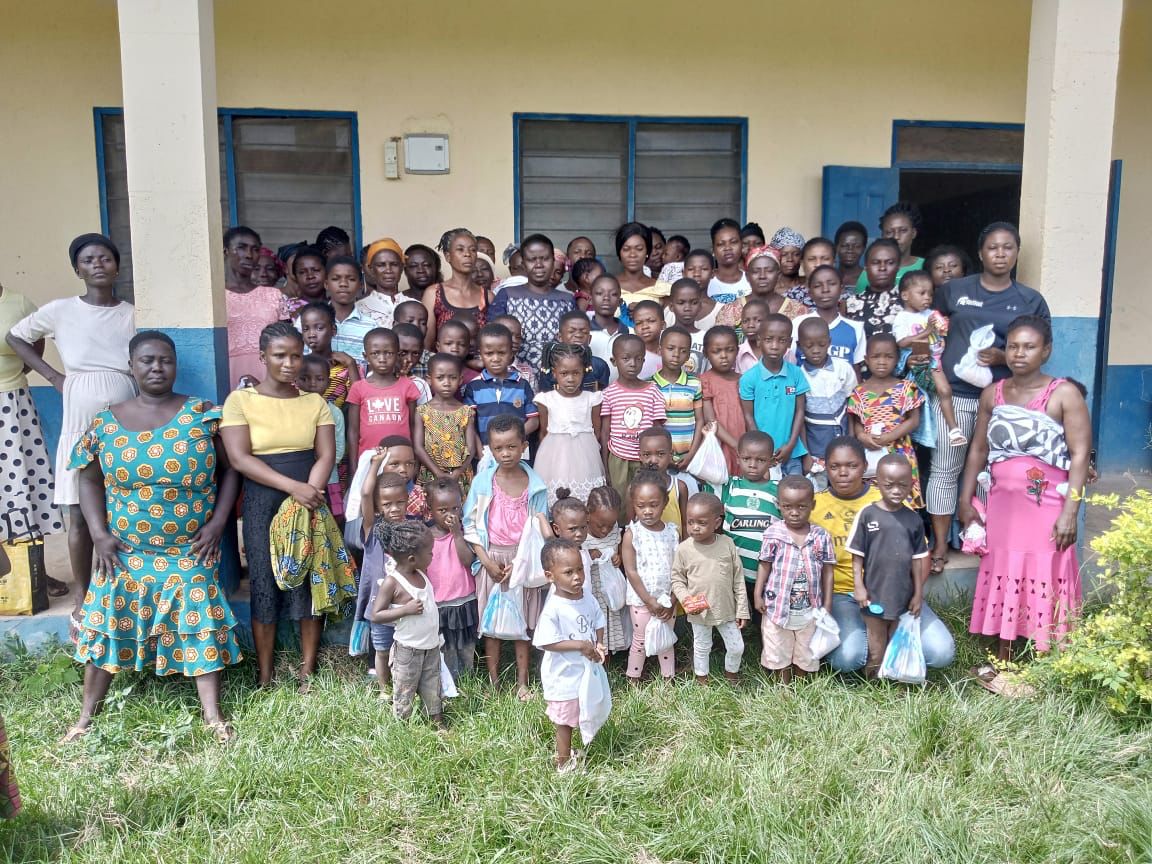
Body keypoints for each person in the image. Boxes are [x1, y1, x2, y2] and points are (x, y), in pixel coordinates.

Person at [63, 332, 242, 742]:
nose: (156, 367)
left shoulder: (202, 415)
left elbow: (230, 468)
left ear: (175, 365)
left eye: (165, 360)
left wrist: (217, 524)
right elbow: (88, 480)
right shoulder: (106, 421)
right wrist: (99, 534)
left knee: (198, 607)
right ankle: (85, 717)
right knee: (105, 615)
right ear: (131, 366)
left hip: (189, 550)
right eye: (146, 360)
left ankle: (213, 716)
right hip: (124, 551)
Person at [6, 233, 136, 608]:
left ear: (116, 265)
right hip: (79, 407)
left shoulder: (131, 313)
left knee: (119, 507)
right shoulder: (61, 310)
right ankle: (82, 591)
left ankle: (115, 586)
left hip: (124, 406)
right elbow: (16, 336)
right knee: (77, 508)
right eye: (89, 259)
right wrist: (52, 376)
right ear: (77, 269)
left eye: (105, 258)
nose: (98, 264)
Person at [959, 316, 1090, 678]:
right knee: (1005, 568)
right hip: (1002, 505)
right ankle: (1004, 656)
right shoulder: (994, 393)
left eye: (1029, 346)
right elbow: (978, 449)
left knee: (1045, 570)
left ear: (1046, 351)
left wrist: (1070, 512)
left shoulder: (1064, 394)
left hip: (1046, 507)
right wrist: (966, 497)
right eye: (1014, 346)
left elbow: (1079, 455)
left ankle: (1053, 660)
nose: (1019, 354)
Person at [926, 223, 1050, 575]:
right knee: (945, 470)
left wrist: (1003, 357)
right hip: (955, 396)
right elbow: (932, 332)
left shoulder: (1030, 300)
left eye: (1007, 248)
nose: (1000, 254)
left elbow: (1041, 348)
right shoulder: (954, 291)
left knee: (994, 472)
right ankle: (939, 544)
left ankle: (982, 537)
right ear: (980, 253)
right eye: (993, 248)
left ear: (1016, 253)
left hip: (1004, 399)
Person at [219, 322, 337, 689]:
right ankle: (265, 674)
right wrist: (293, 490)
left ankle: (307, 670)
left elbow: (326, 454)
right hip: (263, 501)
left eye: (296, 355)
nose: (289, 363)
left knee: (308, 579)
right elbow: (239, 458)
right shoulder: (241, 401)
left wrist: (308, 495)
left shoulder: (314, 402)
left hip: (310, 499)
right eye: (279, 356)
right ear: (262, 357)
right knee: (265, 582)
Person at [463, 414, 549, 699]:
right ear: (489, 448)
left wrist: (522, 562)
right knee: (492, 625)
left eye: (511, 447)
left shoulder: (535, 485)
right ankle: (493, 682)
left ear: (524, 446)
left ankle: (523, 683)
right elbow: (470, 524)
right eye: (498, 448)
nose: (505, 453)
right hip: (491, 558)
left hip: (521, 561)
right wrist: (486, 561)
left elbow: (539, 525)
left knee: (522, 625)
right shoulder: (483, 482)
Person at [0, 279, 65, 588]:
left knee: (28, 485)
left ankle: (36, 576)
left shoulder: (18, 303)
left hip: (13, 405)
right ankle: (8, 578)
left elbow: (33, 345)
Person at [847, 454, 929, 677]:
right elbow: (857, 557)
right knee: (876, 647)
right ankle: (872, 685)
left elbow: (917, 561)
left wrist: (917, 594)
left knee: (896, 643)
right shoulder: (867, 515)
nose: (895, 490)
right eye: (889, 485)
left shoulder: (913, 520)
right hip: (873, 594)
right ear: (877, 483)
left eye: (902, 485)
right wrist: (859, 587)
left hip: (902, 596)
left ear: (911, 485)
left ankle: (894, 679)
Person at [533, 537, 607, 772]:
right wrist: (580, 645)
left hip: (584, 673)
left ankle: (580, 750)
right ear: (550, 575)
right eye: (568, 572)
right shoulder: (554, 607)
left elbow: (598, 619)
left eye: (580, 570)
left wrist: (600, 643)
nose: (577, 577)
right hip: (563, 676)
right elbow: (545, 641)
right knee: (565, 722)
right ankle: (563, 762)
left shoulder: (587, 597)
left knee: (585, 710)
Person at [754, 476, 835, 683]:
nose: (794, 512)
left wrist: (827, 603)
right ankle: (784, 686)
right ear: (779, 505)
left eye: (801, 506)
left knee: (805, 648)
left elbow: (827, 570)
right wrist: (757, 594)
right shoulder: (773, 533)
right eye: (787, 506)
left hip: (809, 609)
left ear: (812, 505)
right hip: (777, 607)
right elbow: (765, 564)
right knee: (778, 646)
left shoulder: (820, 536)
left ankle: (800, 683)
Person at [369, 520, 444, 725]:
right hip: (407, 652)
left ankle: (437, 722)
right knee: (405, 689)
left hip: (431, 647)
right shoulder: (392, 582)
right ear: (412, 559)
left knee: (433, 686)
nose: (432, 555)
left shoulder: (420, 573)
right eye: (429, 552)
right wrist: (405, 609)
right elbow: (376, 614)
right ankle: (402, 724)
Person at [671, 492, 747, 684]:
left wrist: (742, 609)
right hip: (699, 611)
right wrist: (686, 598)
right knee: (702, 646)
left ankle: (732, 675)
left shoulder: (727, 544)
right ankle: (702, 679)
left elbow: (738, 579)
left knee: (736, 646)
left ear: (717, 523)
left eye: (702, 523)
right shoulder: (684, 549)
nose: (694, 528)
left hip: (726, 609)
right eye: (690, 522)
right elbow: (677, 579)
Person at [848, 333, 925, 507]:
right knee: (872, 500)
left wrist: (889, 437)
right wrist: (862, 436)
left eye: (888, 356)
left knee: (902, 499)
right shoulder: (859, 391)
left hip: (900, 452)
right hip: (870, 452)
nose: (882, 361)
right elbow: (857, 423)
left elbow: (914, 421)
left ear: (897, 359)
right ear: (866, 359)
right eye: (876, 357)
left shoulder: (906, 387)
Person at [892, 270, 965, 446]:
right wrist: (927, 332)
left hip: (935, 360)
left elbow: (941, 333)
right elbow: (902, 342)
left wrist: (942, 326)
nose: (927, 298)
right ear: (905, 295)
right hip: (921, 363)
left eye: (930, 294)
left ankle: (951, 430)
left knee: (940, 394)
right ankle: (945, 432)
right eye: (922, 293)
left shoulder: (930, 314)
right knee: (928, 398)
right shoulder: (903, 317)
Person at [621, 469, 679, 683]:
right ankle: (633, 677)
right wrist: (649, 601)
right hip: (641, 600)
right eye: (640, 506)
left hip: (666, 600)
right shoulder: (632, 534)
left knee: (666, 640)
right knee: (640, 640)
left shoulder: (672, 533)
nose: (647, 511)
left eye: (653, 505)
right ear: (633, 504)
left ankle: (668, 678)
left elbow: (677, 568)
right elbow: (631, 571)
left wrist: (672, 599)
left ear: (665, 503)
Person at [600, 335, 668, 516]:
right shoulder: (608, 394)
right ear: (614, 361)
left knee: (646, 500)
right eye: (626, 358)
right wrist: (606, 467)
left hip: (645, 460)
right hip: (618, 457)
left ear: (644, 360)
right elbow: (605, 433)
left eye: (638, 359)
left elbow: (658, 430)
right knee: (621, 504)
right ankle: (624, 539)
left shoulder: (652, 391)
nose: (632, 363)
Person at [489, 234, 576, 369]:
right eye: (532, 260)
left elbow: (573, 342)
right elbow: (493, 338)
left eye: (545, 259)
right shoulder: (507, 295)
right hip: (516, 380)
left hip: (557, 381)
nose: (539, 265)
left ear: (553, 261)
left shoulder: (567, 300)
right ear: (523, 264)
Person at [534, 343, 606, 505]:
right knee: (556, 494)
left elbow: (597, 430)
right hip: (553, 456)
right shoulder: (546, 399)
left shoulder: (592, 398)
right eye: (564, 373)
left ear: (584, 371)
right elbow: (543, 432)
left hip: (586, 456)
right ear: (554, 373)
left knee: (585, 497)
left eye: (576, 373)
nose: (570, 379)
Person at [739, 314, 809, 475]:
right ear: (759, 340)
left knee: (794, 495)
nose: (775, 346)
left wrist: (791, 444)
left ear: (789, 343)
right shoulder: (749, 378)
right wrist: (762, 451)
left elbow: (800, 411)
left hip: (792, 452)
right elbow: (748, 417)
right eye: (769, 339)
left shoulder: (796, 374)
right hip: (762, 458)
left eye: (782, 340)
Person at [424, 478, 478, 682]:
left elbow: (467, 561)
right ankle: (450, 682)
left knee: (466, 645)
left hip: (464, 600)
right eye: (443, 510)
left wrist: (456, 534)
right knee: (446, 647)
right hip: (439, 605)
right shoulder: (426, 537)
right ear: (431, 510)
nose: (450, 515)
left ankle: (468, 679)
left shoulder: (464, 533)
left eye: (455, 508)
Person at [721, 431, 781, 609]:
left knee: (764, 618)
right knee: (734, 617)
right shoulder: (730, 486)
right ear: (738, 458)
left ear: (771, 461)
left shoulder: (778, 490)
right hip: (735, 572)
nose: (752, 465)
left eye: (761, 460)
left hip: (767, 573)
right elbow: (704, 469)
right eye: (746, 459)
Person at [347, 328, 421, 467]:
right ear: (365, 356)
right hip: (368, 461)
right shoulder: (358, 388)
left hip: (401, 462)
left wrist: (415, 461)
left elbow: (413, 426)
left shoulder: (407, 386)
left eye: (388, 353)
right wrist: (353, 467)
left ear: (398, 355)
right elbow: (353, 431)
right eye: (375, 353)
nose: (382, 359)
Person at [222, 226, 286, 387]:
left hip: (269, 380)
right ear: (225, 251)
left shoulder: (274, 296)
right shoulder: (214, 298)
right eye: (241, 248)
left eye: (255, 249)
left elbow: (287, 344)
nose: (249, 255)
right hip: (226, 377)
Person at [796, 317, 858, 473]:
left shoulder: (843, 368)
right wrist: (806, 454)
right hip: (817, 449)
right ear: (799, 346)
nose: (816, 350)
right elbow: (800, 418)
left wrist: (851, 437)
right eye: (809, 346)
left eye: (822, 345)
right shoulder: (799, 376)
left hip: (845, 445)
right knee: (820, 490)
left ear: (829, 342)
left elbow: (852, 405)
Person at [464, 323, 540, 446]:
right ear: (481, 354)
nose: (495, 358)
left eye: (501, 353)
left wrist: (514, 439)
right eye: (489, 353)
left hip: (518, 451)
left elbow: (534, 420)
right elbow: (469, 424)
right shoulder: (473, 387)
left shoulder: (522, 384)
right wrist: (480, 451)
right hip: (487, 452)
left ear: (511, 353)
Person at [414, 353, 479, 495]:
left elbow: (471, 449)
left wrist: (458, 472)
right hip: (431, 474)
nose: (447, 382)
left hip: (460, 476)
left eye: (453, 377)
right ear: (429, 380)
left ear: (460, 379)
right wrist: (438, 472)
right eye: (440, 378)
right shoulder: (422, 411)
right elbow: (418, 447)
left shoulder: (465, 411)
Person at [423, 228, 492, 349]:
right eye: (460, 249)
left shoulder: (488, 297)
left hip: (481, 367)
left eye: (473, 250)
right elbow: (427, 346)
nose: (467, 254)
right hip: (444, 366)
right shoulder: (434, 294)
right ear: (448, 256)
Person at [297, 355, 347, 516]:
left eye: (319, 379)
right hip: (297, 478)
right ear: (296, 379)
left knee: (329, 518)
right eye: (305, 378)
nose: (312, 384)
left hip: (328, 478)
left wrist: (321, 461)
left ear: (328, 382)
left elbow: (338, 450)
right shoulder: (292, 409)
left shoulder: (335, 413)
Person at [583, 485, 629, 655]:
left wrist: (618, 558)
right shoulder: (581, 532)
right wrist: (587, 554)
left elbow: (616, 548)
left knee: (609, 620)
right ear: (588, 514)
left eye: (610, 526)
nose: (605, 530)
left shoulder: (614, 528)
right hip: (592, 588)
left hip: (610, 588)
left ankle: (607, 654)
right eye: (600, 525)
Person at [791, 265, 865, 367]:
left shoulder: (856, 329)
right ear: (810, 293)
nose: (825, 290)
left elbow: (856, 372)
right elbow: (790, 364)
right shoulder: (797, 324)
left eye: (832, 284)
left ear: (841, 288)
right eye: (817, 286)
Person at [652, 326, 704, 468]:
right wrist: (663, 456)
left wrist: (691, 454)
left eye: (683, 351)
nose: (676, 354)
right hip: (658, 459)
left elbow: (700, 421)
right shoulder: (649, 385)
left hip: (688, 457)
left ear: (688, 356)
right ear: (659, 350)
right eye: (670, 348)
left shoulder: (695, 384)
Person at [700, 325, 745, 477]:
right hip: (720, 444)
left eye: (730, 350)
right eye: (716, 351)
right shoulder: (705, 380)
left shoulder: (743, 380)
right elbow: (710, 420)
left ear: (737, 350)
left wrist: (744, 445)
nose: (724, 356)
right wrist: (735, 445)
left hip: (744, 442)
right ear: (706, 353)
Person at [854, 202, 925, 294]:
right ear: (882, 236)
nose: (896, 236)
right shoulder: (870, 272)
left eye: (903, 230)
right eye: (889, 232)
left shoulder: (926, 266)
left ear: (913, 233)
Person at [298, 302, 359, 406]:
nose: (312, 334)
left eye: (319, 328)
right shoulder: (300, 365)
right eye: (306, 329)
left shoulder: (345, 366)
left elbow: (358, 397)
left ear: (333, 330)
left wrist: (351, 364)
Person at [635, 426, 690, 541]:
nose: (653, 460)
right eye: (647, 455)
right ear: (640, 456)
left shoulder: (680, 487)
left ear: (670, 455)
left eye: (660, 454)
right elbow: (631, 524)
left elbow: (685, 524)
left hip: (674, 550)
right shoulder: (635, 488)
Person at [843, 238, 904, 338]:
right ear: (866, 267)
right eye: (876, 262)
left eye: (890, 262)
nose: (882, 268)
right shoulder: (850, 304)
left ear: (898, 267)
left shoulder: (909, 302)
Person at [537, 312, 610, 393]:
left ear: (589, 339)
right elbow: (545, 398)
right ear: (560, 337)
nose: (578, 335)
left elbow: (603, 397)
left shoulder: (599, 366)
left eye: (584, 332)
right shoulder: (549, 366)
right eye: (572, 331)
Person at [321, 257, 373, 360]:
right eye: (336, 279)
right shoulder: (307, 321)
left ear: (361, 286)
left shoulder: (370, 327)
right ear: (326, 284)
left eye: (351, 279)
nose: (343, 284)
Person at [663, 278, 717, 374]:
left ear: (700, 306)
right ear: (671, 307)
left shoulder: (706, 339)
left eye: (694, 303)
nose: (687, 308)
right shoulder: (663, 337)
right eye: (681, 303)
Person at [587, 274, 628, 382]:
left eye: (613, 294)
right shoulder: (583, 334)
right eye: (600, 293)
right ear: (590, 299)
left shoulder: (629, 333)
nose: (606, 298)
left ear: (619, 301)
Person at [614, 223, 659, 305]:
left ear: (647, 252)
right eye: (626, 249)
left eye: (639, 249)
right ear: (619, 253)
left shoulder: (662, 289)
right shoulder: (606, 287)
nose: (632, 255)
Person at [707, 218, 751, 301]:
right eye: (721, 244)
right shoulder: (705, 281)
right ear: (713, 250)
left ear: (742, 246)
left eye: (733, 242)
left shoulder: (751, 280)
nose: (727, 248)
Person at [284, 245, 328, 320]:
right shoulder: (286, 309)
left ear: (327, 273)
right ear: (295, 277)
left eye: (316, 270)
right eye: (302, 272)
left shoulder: (337, 305)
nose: (310, 276)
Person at [792, 237, 837, 308]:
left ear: (834, 263)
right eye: (812, 259)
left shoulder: (848, 301)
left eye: (825, 259)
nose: (818, 264)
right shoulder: (790, 299)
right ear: (802, 263)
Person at [630, 300, 665, 379]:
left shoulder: (671, 353)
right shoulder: (632, 357)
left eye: (651, 321)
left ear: (663, 325)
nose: (645, 326)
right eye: (639, 323)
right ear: (634, 329)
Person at [769, 227, 806, 300]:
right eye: (784, 254)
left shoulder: (809, 284)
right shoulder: (771, 290)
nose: (790, 259)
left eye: (796, 254)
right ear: (776, 257)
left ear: (801, 257)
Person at [734, 299, 768, 373]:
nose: (750, 325)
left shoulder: (781, 351)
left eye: (758, 320)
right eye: (745, 321)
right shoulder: (736, 353)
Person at [834, 221, 868, 293]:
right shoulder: (828, 276)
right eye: (844, 245)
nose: (850, 250)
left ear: (863, 249)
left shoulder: (869, 278)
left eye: (856, 246)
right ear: (836, 247)